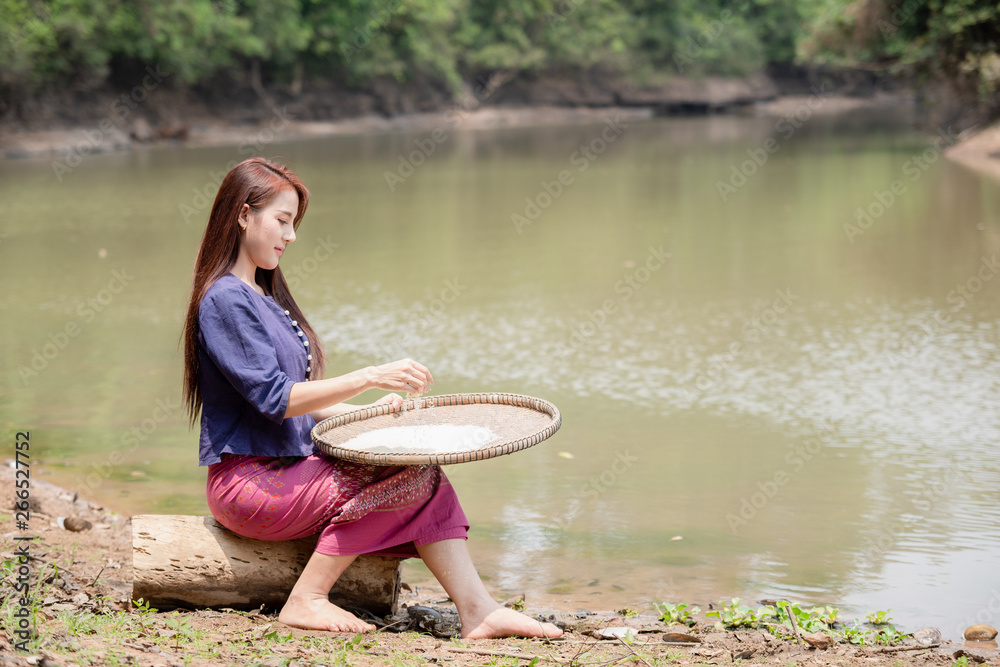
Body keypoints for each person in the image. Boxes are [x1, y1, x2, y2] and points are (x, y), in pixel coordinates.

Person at [181, 157, 561, 639]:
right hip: (252, 483)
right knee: (411, 476)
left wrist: (372, 420)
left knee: (421, 466)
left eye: (294, 224)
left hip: (288, 470)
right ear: (242, 214)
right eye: (282, 220)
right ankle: (307, 600)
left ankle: (479, 610)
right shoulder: (225, 299)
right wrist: (370, 376)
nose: (291, 235)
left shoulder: (261, 295)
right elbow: (277, 398)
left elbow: (308, 404)